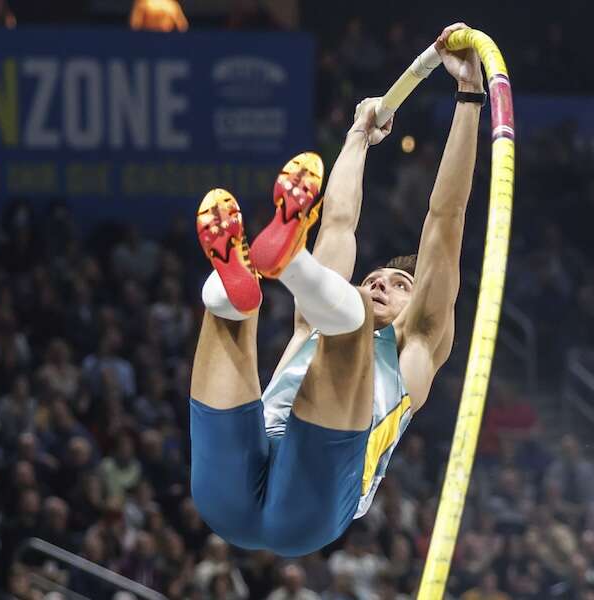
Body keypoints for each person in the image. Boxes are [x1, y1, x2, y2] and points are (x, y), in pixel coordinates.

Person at [188, 22, 483, 556]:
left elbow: (446, 217)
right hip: (229, 492)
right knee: (230, 316)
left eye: (399, 284)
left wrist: (468, 97)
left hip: (313, 506)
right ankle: (241, 287)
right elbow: (341, 222)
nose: (379, 283)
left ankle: (286, 263)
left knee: (343, 324)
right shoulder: (311, 323)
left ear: (421, 306)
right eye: (375, 278)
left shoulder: (418, 346)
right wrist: (356, 138)